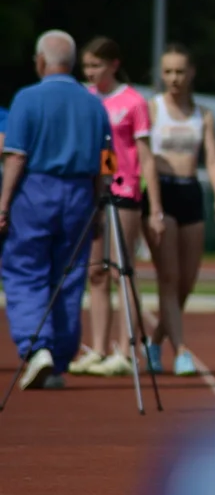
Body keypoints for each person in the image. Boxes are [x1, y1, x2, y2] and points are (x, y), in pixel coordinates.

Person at [0, 30, 113, 390]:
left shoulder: (27, 99)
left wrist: (2, 204)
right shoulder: (94, 103)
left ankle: (37, 348)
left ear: (40, 60)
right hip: (80, 193)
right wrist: (99, 202)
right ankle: (60, 357)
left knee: (25, 270)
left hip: (36, 191)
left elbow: (16, 156)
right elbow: (106, 161)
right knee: (68, 276)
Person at [67, 38, 166, 377]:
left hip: (123, 193)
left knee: (121, 271)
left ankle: (125, 350)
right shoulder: (85, 98)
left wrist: (155, 207)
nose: (91, 73)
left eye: (97, 65)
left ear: (113, 64)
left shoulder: (133, 102)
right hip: (91, 191)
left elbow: (145, 156)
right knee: (95, 271)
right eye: (87, 66)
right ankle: (97, 347)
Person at [142, 43, 215, 377]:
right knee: (168, 277)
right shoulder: (153, 109)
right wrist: (152, 205)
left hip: (191, 192)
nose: (174, 78)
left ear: (191, 73)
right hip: (161, 192)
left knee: (187, 284)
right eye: (168, 72)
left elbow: (214, 158)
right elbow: (144, 155)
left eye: (180, 71)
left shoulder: (202, 114)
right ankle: (180, 351)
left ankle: (155, 342)